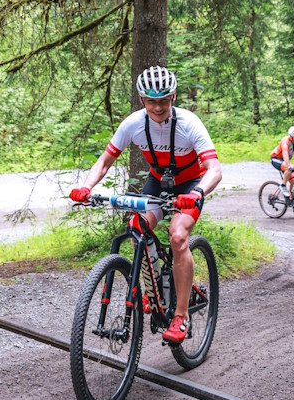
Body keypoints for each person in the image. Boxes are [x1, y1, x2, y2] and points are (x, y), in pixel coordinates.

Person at [70, 65, 222, 343]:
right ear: (141, 100)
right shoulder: (133, 124)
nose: (158, 106)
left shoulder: (189, 123)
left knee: (177, 236)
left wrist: (198, 191)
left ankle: (181, 316)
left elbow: (214, 169)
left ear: (173, 96)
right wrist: (86, 187)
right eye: (151, 101)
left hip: (190, 185)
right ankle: (154, 291)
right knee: (136, 226)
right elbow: (105, 161)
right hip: (158, 183)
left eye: (163, 100)